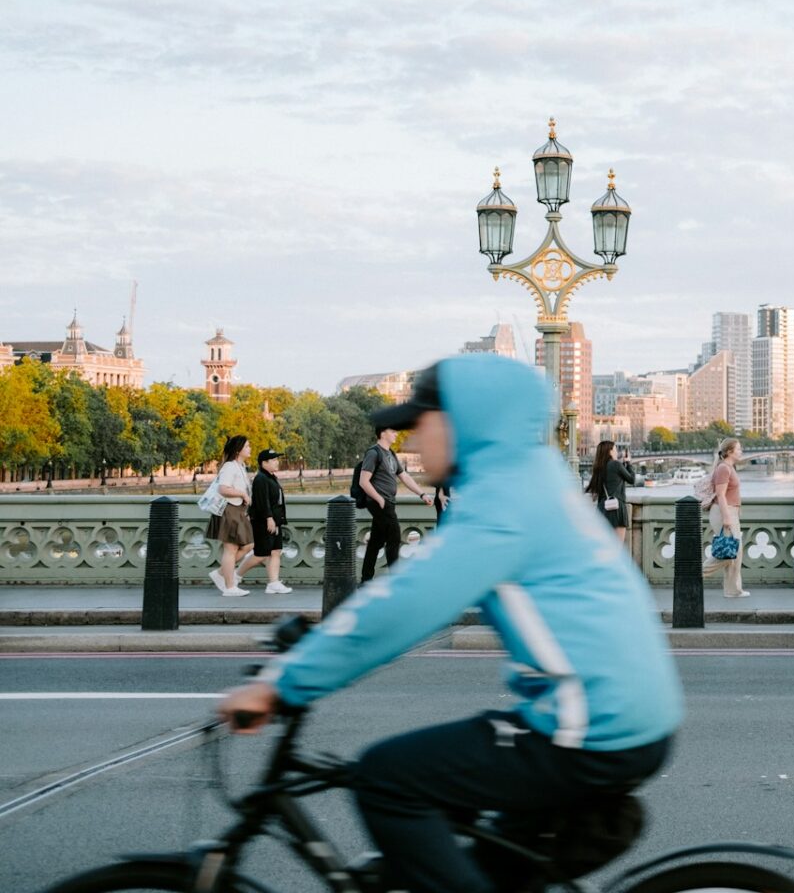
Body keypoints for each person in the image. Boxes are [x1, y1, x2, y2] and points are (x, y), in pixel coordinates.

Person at [217, 356, 682, 893]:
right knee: (487, 865)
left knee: (388, 777)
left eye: (423, 424)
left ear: (464, 421)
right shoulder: (532, 479)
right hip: (627, 713)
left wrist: (285, 683)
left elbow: (405, 605)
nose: (415, 443)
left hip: (590, 723)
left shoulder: (502, 503)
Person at [360, 424, 432, 582]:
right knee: (394, 537)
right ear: (383, 433)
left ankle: (366, 580)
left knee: (376, 542)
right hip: (380, 503)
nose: (396, 434)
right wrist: (379, 499)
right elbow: (363, 481)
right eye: (392, 431)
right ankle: (395, 581)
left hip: (388, 502)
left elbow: (404, 476)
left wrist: (422, 494)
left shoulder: (390, 454)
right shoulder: (373, 453)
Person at [235, 448, 293, 594]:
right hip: (263, 522)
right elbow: (262, 501)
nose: (277, 462)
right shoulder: (261, 479)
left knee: (275, 551)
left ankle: (273, 583)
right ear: (264, 463)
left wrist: (277, 520)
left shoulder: (270, 477)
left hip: (275, 520)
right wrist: (269, 518)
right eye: (273, 460)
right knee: (261, 554)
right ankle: (235, 576)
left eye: (276, 459)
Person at [206, 435, 255, 597]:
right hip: (229, 510)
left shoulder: (240, 466)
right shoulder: (229, 466)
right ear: (238, 450)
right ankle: (229, 587)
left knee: (248, 545)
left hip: (238, 510)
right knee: (231, 549)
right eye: (247, 446)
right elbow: (223, 489)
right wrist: (242, 494)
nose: (250, 448)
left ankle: (221, 573)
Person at [700, 437, 747, 598]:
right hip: (723, 513)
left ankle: (732, 590)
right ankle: (694, 576)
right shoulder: (723, 469)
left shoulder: (729, 467)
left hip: (730, 512)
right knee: (729, 553)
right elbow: (720, 495)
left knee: (734, 553)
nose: (741, 451)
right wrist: (727, 517)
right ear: (729, 452)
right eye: (738, 449)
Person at [587, 439, 639, 541]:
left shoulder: (598, 468)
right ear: (610, 451)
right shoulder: (616, 464)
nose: (616, 452)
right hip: (616, 508)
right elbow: (632, 479)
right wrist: (628, 463)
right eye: (615, 450)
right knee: (617, 547)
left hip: (602, 509)